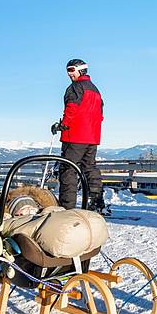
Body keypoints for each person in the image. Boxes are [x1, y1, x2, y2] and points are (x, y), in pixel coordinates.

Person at [51, 58, 106, 213]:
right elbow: (100, 114)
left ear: (80, 70)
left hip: (75, 136)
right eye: (67, 70)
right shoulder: (95, 90)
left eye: (71, 70)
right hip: (92, 137)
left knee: (68, 170)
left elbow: (71, 109)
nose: (69, 74)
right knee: (89, 167)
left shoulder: (75, 88)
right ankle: (96, 202)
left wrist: (63, 125)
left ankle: (66, 208)